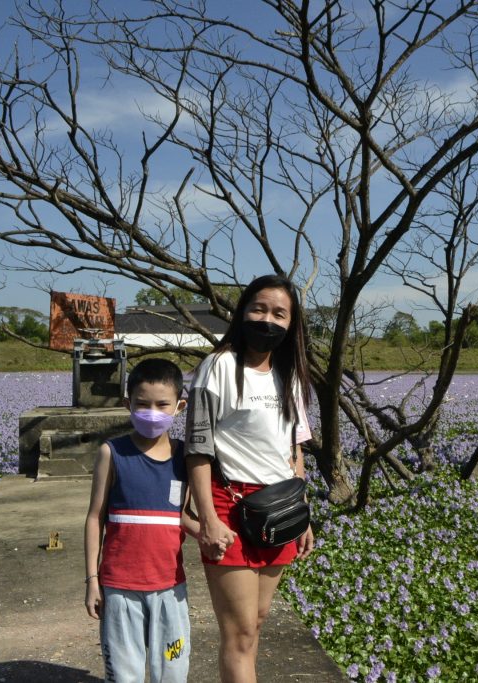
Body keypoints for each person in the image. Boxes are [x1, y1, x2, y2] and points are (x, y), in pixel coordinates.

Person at [185, 273, 315, 683]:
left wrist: (304, 514)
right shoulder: (218, 367)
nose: (268, 320)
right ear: (242, 311)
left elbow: (294, 450)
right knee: (239, 633)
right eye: (259, 309)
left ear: (292, 324)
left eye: (280, 314)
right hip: (231, 506)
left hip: (279, 509)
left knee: (255, 623)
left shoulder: (289, 374)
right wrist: (207, 518)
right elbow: (198, 450)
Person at [84, 357, 220, 683]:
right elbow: (94, 518)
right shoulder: (111, 453)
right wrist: (92, 580)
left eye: (163, 404)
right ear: (127, 403)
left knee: (173, 668)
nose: (153, 412)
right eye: (143, 404)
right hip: (119, 589)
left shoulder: (184, 457)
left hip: (170, 589)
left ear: (180, 406)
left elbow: (180, 516)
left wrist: (209, 532)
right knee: (124, 673)